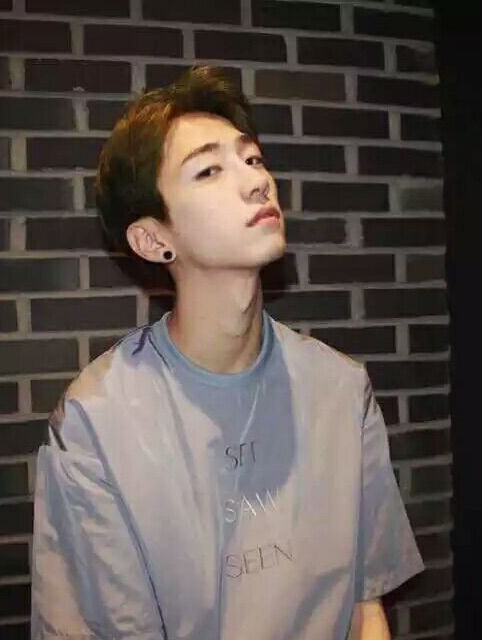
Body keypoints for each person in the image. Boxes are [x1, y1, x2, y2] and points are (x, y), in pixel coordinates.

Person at [30, 65, 425, 640]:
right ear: (153, 239)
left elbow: (367, 610)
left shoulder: (340, 389)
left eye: (253, 159)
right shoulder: (96, 424)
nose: (256, 181)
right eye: (210, 169)